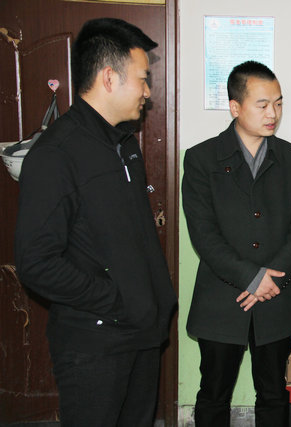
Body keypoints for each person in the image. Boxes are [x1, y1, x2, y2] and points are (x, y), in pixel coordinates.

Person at [14, 18, 177, 426]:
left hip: (141, 334)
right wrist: (114, 300)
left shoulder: (124, 146)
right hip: (95, 346)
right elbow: (36, 263)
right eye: (142, 79)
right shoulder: (56, 155)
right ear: (109, 77)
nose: (147, 91)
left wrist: (153, 302)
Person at [182, 60, 291, 427]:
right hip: (222, 297)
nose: (273, 113)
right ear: (235, 107)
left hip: (275, 296)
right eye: (263, 104)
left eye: (279, 103)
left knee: (274, 393)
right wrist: (252, 278)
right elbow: (204, 235)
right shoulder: (201, 159)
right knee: (214, 393)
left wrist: (269, 280)